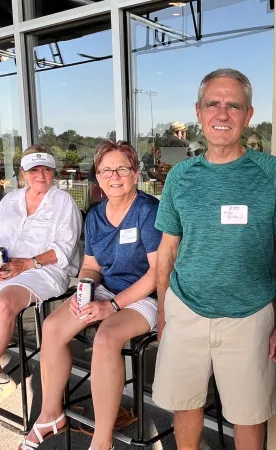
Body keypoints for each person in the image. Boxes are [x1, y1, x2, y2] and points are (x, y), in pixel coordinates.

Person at [153, 68, 276, 450]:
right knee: (184, 406)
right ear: (199, 112)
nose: (222, 115)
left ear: (249, 114)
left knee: (248, 415)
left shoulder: (273, 173)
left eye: (233, 105)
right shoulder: (180, 177)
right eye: (213, 105)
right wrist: (162, 311)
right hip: (185, 309)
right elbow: (168, 249)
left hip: (250, 316)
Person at [22, 140, 162, 450]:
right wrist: (84, 290)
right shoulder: (96, 215)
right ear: (97, 177)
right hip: (105, 291)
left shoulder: (148, 212)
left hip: (143, 296)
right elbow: (90, 265)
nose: (115, 176)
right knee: (53, 327)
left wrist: (110, 306)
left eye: (122, 168)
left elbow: (156, 274)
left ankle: (102, 441)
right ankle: (50, 415)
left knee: (106, 338)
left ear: (135, 173)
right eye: (106, 170)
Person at [0, 145, 82, 403]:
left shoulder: (63, 201)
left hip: (46, 271)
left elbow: (63, 251)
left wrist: (26, 264)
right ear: (22, 172)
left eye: (46, 169)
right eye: (34, 169)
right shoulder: (9, 200)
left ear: (53, 172)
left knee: (3, 304)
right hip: (9, 268)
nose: (41, 175)